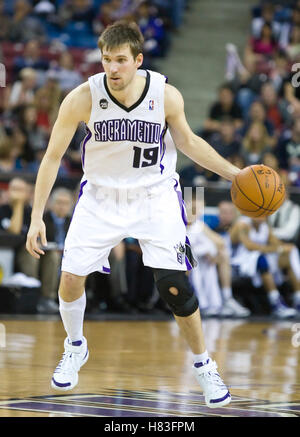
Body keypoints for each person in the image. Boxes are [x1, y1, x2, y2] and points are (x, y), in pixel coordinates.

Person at [26, 21, 243, 408]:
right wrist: (37, 215)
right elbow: (52, 157)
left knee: (176, 287)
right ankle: (75, 346)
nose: (112, 68)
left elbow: (189, 143)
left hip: (153, 197)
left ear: (138, 60)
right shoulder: (82, 97)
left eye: (121, 60)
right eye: (106, 59)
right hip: (100, 197)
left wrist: (236, 174)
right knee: (71, 280)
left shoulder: (165, 95)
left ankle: (204, 365)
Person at [230, 216, 300, 318]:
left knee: (287, 257)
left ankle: (298, 298)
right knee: (261, 260)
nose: (261, 215)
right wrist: (275, 248)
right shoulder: (242, 224)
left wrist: (283, 248)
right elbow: (250, 246)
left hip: (258, 257)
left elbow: (277, 244)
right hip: (239, 261)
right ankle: (275, 303)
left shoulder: (265, 226)